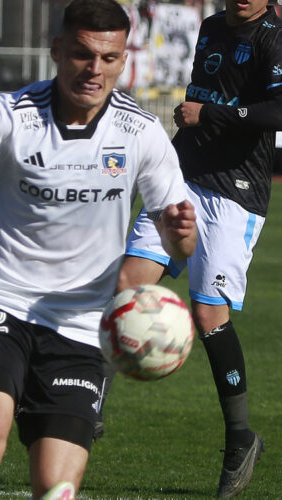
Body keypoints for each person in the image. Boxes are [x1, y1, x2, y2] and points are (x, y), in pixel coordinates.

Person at [0, 0, 197, 498]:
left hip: (80, 324)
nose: (95, 70)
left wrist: (181, 231)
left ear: (123, 60)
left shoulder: (142, 133)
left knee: (55, 486)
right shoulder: (12, 113)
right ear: (57, 51)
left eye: (110, 58)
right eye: (82, 54)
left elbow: (181, 243)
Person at [118, 0, 281, 497]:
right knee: (125, 287)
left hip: (235, 192)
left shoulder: (273, 37)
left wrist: (209, 112)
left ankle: (239, 437)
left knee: (209, 316)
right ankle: (89, 402)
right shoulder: (211, 27)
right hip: (181, 178)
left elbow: (277, 111)